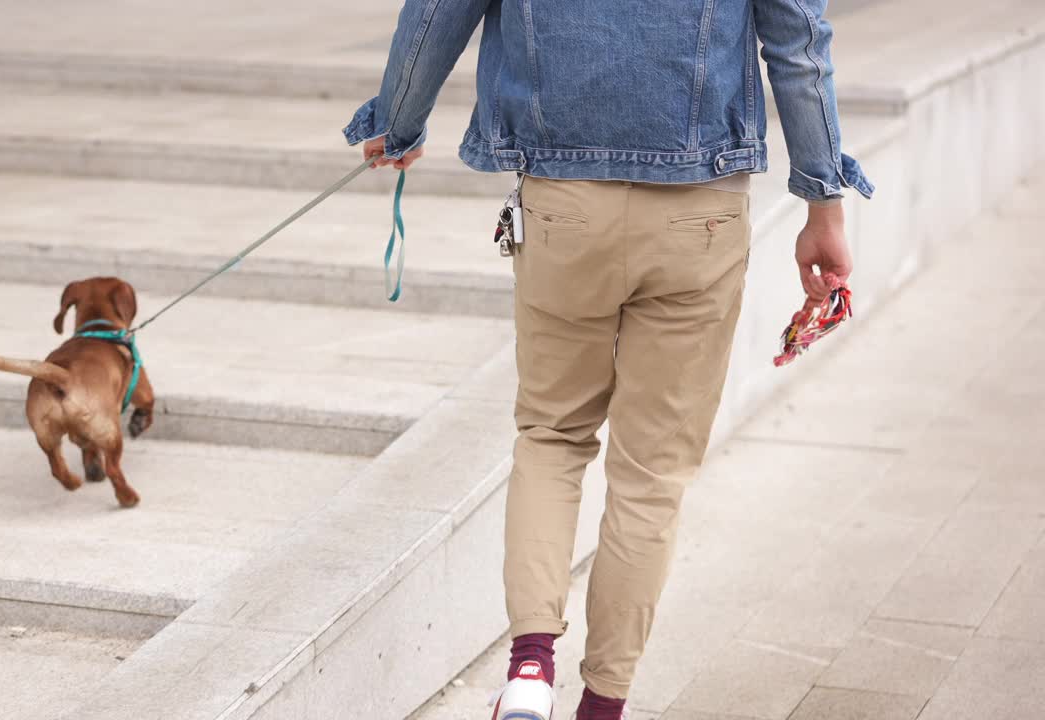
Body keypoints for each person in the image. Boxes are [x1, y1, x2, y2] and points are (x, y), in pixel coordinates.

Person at [345, 1, 872, 718]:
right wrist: (823, 201)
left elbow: (439, 8)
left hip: (564, 204)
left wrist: (396, 122)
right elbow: (798, 41)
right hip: (701, 210)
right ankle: (603, 706)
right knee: (652, 474)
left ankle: (529, 672)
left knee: (552, 435)